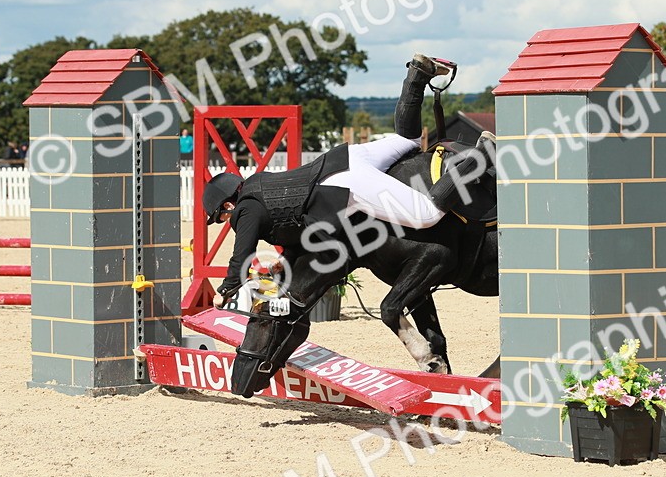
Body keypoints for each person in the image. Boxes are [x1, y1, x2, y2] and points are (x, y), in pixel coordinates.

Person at [205, 54, 496, 304]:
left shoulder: (246, 209)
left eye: (221, 216)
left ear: (228, 205)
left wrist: (227, 289)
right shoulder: (260, 185)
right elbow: (302, 235)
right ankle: (417, 75)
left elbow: (241, 255)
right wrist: (284, 262)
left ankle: (478, 156)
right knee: (406, 139)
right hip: (345, 158)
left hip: (346, 183)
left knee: (427, 213)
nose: (225, 221)